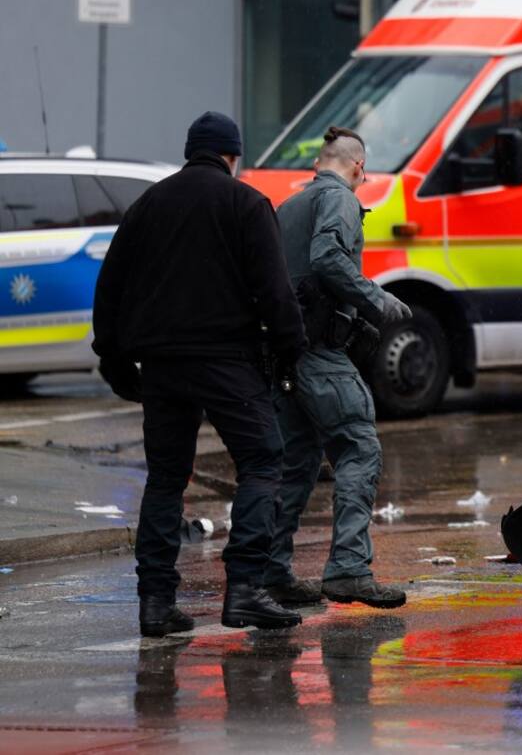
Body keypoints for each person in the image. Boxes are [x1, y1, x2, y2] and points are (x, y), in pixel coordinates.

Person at [93, 111, 307, 637]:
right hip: (226, 359)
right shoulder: (246, 203)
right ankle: (247, 590)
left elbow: (110, 286)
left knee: (166, 478)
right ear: (233, 156)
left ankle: (155, 603)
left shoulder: (149, 204)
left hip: (162, 364)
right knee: (262, 459)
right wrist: (291, 352)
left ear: (191, 151)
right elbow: (275, 292)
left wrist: (115, 360)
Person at [265, 126, 411, 608]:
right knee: (358, 448)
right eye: (362, 172)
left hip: (284, 356)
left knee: (298, 462)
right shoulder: (342, 200)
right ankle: (348, 568)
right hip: (320, 354)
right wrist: (377, 301)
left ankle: (273, 572)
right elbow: (327, 257)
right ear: (356, 167)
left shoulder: (288, 209)